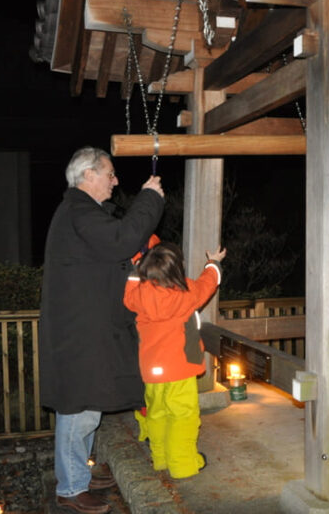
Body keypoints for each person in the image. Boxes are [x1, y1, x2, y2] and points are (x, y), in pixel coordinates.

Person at [39, 146, 164, 514]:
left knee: (88, 403)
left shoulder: (82, 212)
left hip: (85, 327)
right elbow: (121, 240)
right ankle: (71, 486)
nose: (115, 180)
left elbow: (116, 247)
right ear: (88, 175)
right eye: (109, 174)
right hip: (79, 332)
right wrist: (150, 198)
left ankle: (81, 472)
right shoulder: (79, 210)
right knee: (77, 408)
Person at [123, 241, 226, 479]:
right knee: (183, 416)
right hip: (180, 369)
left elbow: (129, 294)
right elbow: (207, 285)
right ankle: (183, 465)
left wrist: (134, 267)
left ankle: (160, 459)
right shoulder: (186, 293)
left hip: (151, 371)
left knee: (157, 414)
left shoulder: (139, 296)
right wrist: (213, 263)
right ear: (177, 269)